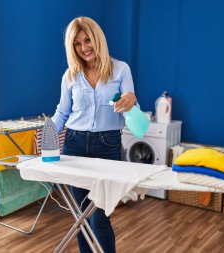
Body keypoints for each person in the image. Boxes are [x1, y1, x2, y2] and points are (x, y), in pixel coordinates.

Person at [52, 16, 137, 253]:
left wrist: (131, 100)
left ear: (97, 39)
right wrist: (46, 137)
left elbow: (130, 101)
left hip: (107, 145)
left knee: (99, 215)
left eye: (88, 40)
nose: (84, 48)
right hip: (74, 144)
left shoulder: (120, 69)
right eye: (77, 44)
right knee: (81, 215)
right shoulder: (70, 76)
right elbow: (62, 112)